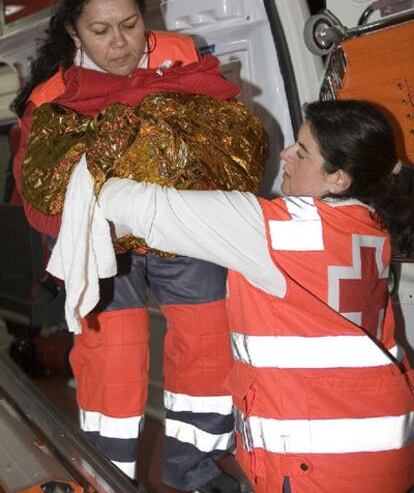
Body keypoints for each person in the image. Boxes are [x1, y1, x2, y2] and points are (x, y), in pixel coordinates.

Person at [11, 0, 249, 493]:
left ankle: (199, 474)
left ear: (146, 18)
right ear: (74, 32)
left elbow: (222, 135)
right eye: (100, 31)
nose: (119, 43)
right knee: (110, 357)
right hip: (98, 238)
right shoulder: (51, 99)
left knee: (209, 344)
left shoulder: (181, 55)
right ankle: (106, 475)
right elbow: (37, 197)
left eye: (130, 25)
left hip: (180, 227)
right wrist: (82, 231)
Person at [98, 99, 414, 493]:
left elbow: (146, 208)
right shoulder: (371, 230)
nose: (286, 153)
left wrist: (89, 167)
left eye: (302, 151)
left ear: (338, 179)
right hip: (381, 456)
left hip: (314, 468)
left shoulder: (281, 231)